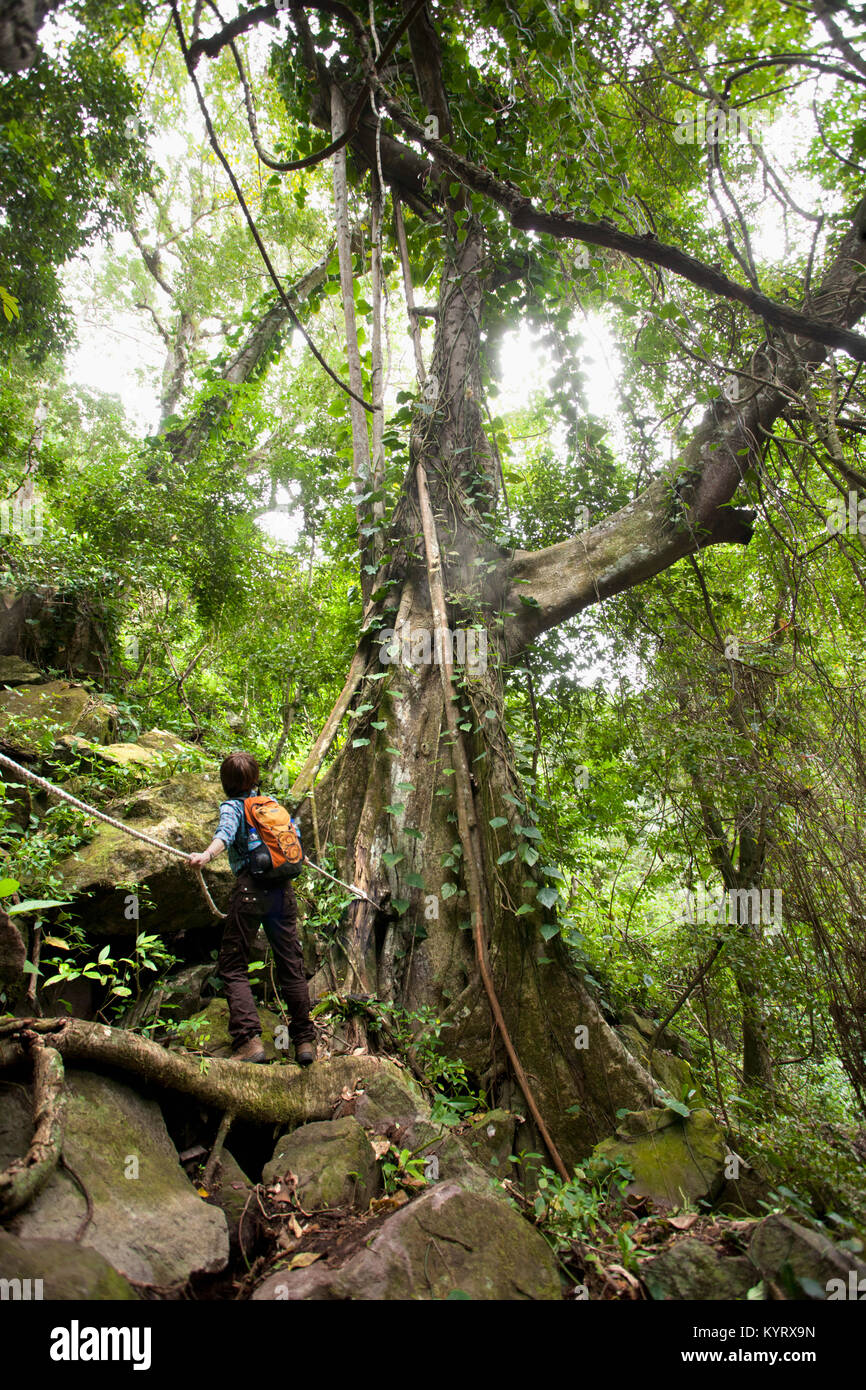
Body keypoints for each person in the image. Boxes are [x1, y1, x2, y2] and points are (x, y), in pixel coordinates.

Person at [189, 751, 316, 1066]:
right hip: (283, 893)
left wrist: (205, 856)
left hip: (250, 891)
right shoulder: (272, 805)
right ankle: (304, 1043)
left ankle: (249, 1042)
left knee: (233, 965)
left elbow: (225, 834)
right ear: (256, 780)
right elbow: (294, 841)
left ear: (226, 784)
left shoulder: (233, 807)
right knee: (291, 966)